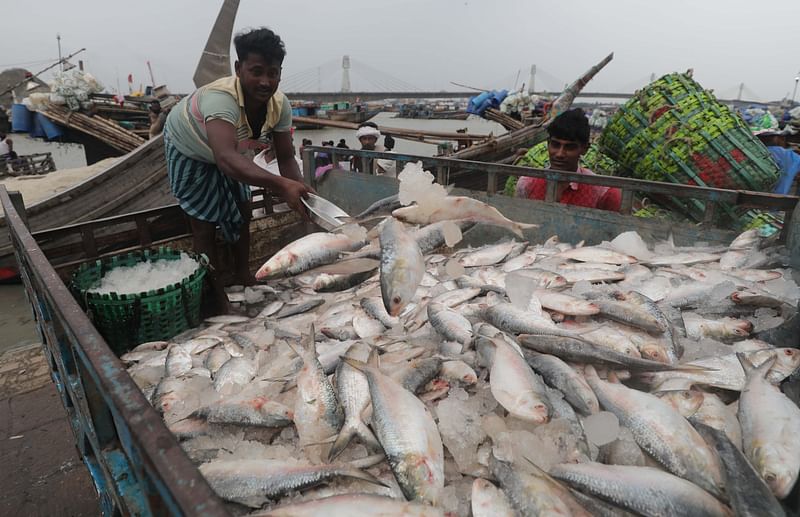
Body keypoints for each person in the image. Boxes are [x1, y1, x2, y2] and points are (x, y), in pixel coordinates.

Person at [163, 27, 313, 312]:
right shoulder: (222, 99)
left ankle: (244, 274)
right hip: (190, 146)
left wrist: (302, 193)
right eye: (256, 71)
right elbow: (226, 159)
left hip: (230, 150)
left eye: (273, 73)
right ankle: (214, 291)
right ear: (238, 68)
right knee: (204, 224)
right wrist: (281, 186)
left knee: (243, 209)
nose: (266, 81)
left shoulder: (280, 105)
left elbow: (285, 156)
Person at [515, 108, 621, 211]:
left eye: (570, 147)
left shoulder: (602, 192)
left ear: (584, 149)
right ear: (548, 144)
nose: (560, 154)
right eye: (555, 145)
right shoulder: (527, 184)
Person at [754, 128, 800, 195]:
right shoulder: (791, 156)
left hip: (754, 195)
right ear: (778, 139)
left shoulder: (756, 153)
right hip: (778, 198)